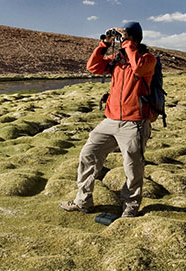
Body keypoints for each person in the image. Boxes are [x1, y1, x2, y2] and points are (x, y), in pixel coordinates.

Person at [59, 21, 156, 218]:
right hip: (110, 120)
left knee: (132, 166)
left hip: (134, 122)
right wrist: (104, 44)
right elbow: (93, 66)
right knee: (88, 154)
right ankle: (83, 200)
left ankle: (130, 205)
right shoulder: (118, 59)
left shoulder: (147, 58)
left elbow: (137, 68)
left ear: (134, 39)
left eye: (125, 36)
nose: (121, 41)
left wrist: (127, 43)